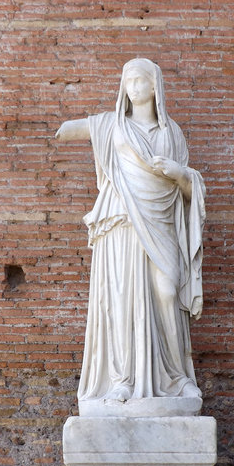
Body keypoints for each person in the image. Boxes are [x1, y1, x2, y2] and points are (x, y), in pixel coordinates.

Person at [55, 58, 206, 409]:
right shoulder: (113, 126)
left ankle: (179, 378)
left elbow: (190, 192)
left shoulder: (172, 134)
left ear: (155, 87)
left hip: (161, 223)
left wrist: (177, 171)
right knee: (123, 300)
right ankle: (123, 379)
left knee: (168, 292)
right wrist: (58, 128)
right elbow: (73, 129)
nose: (133, 86)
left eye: (140, 80)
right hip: (122, 222)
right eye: (128, 81)